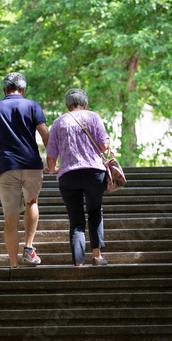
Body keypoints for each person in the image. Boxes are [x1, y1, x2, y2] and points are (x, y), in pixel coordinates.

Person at [0, 72, 49, 269]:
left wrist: (0, 139)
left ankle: (13, 265)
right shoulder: (33, 106)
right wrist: (53, 161)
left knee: (10, 218)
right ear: (24, 89)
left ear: (4, 90)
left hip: (6, 167)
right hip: (32, 165)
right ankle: (28, 248)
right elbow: (46, 136)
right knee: (32, 202)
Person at [45, 88, 109, 266]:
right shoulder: (93, 117)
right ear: (85, 104)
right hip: (93, 173)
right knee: (95, 211)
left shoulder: (58, 123)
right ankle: (97, 256)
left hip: (68, 176)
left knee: (76, 219)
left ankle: (79, 263)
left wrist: (51, 168)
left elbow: (51, 155)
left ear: (67, 106)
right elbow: (104, 145)